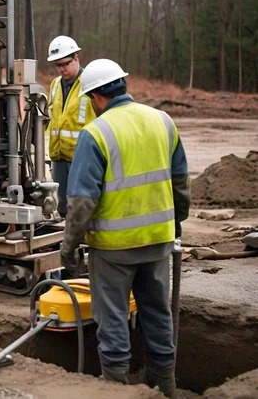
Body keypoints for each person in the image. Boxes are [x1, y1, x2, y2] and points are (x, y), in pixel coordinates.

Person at [59, 59, 190, 398]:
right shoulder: (163, 121)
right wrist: (176, 223)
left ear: (95, 97)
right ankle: (166, 386)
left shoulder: (96, 133)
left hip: (113, 249)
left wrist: (68, 247)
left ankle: (116, 390)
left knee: (113, 321)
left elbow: (81, 202)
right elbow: (180, 182)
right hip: (158, 242)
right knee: (158, 315)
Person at [46, 35, 95, 218]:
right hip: (59, 156)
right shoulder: (55, 85)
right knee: (63, 205)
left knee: (82, 204)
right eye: (57, 65)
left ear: (76, 59)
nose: (61, 69)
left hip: (82, 156)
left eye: (65, 64)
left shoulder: (91, 83)